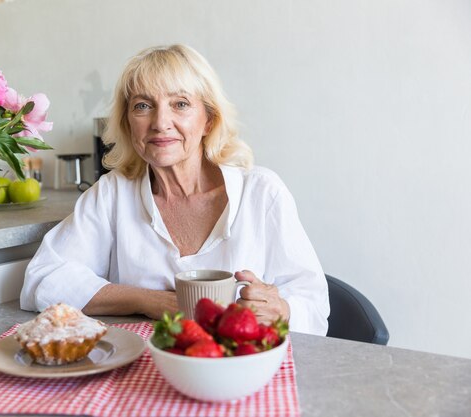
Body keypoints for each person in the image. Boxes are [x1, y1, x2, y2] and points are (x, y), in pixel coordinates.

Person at [20, 44, 329, 335]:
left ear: (208, 120)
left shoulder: (262, 193)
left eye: (180, 104)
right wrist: (153, 301)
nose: (160, 122)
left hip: (242, 373)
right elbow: (44, 279)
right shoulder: (113, 193)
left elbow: (313, 305)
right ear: (128, 123)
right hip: (143, 375)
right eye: (143, 106)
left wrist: (283, 311)